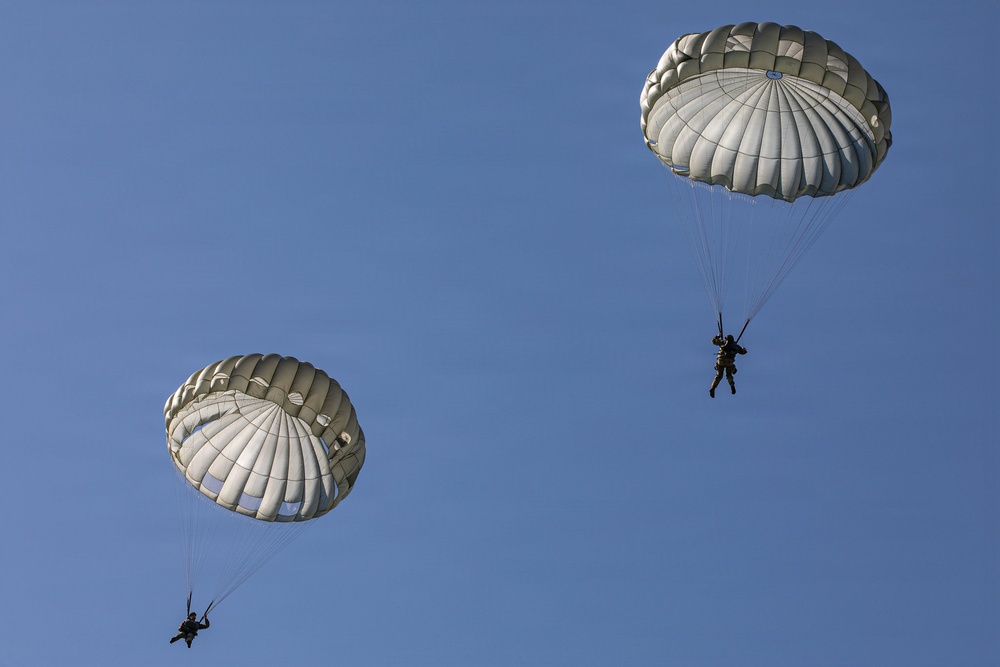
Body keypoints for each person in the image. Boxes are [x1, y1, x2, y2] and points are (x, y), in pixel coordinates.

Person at [710, 333, 747, 397]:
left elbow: (713, 341)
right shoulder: (736, 346)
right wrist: (744, 350)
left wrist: (718, 336)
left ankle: (713, 388)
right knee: (729, 374)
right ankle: (732, 384)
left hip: (721, 361)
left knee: (719, 375)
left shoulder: (723, 343)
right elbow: (743, 352)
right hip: (729, 363)